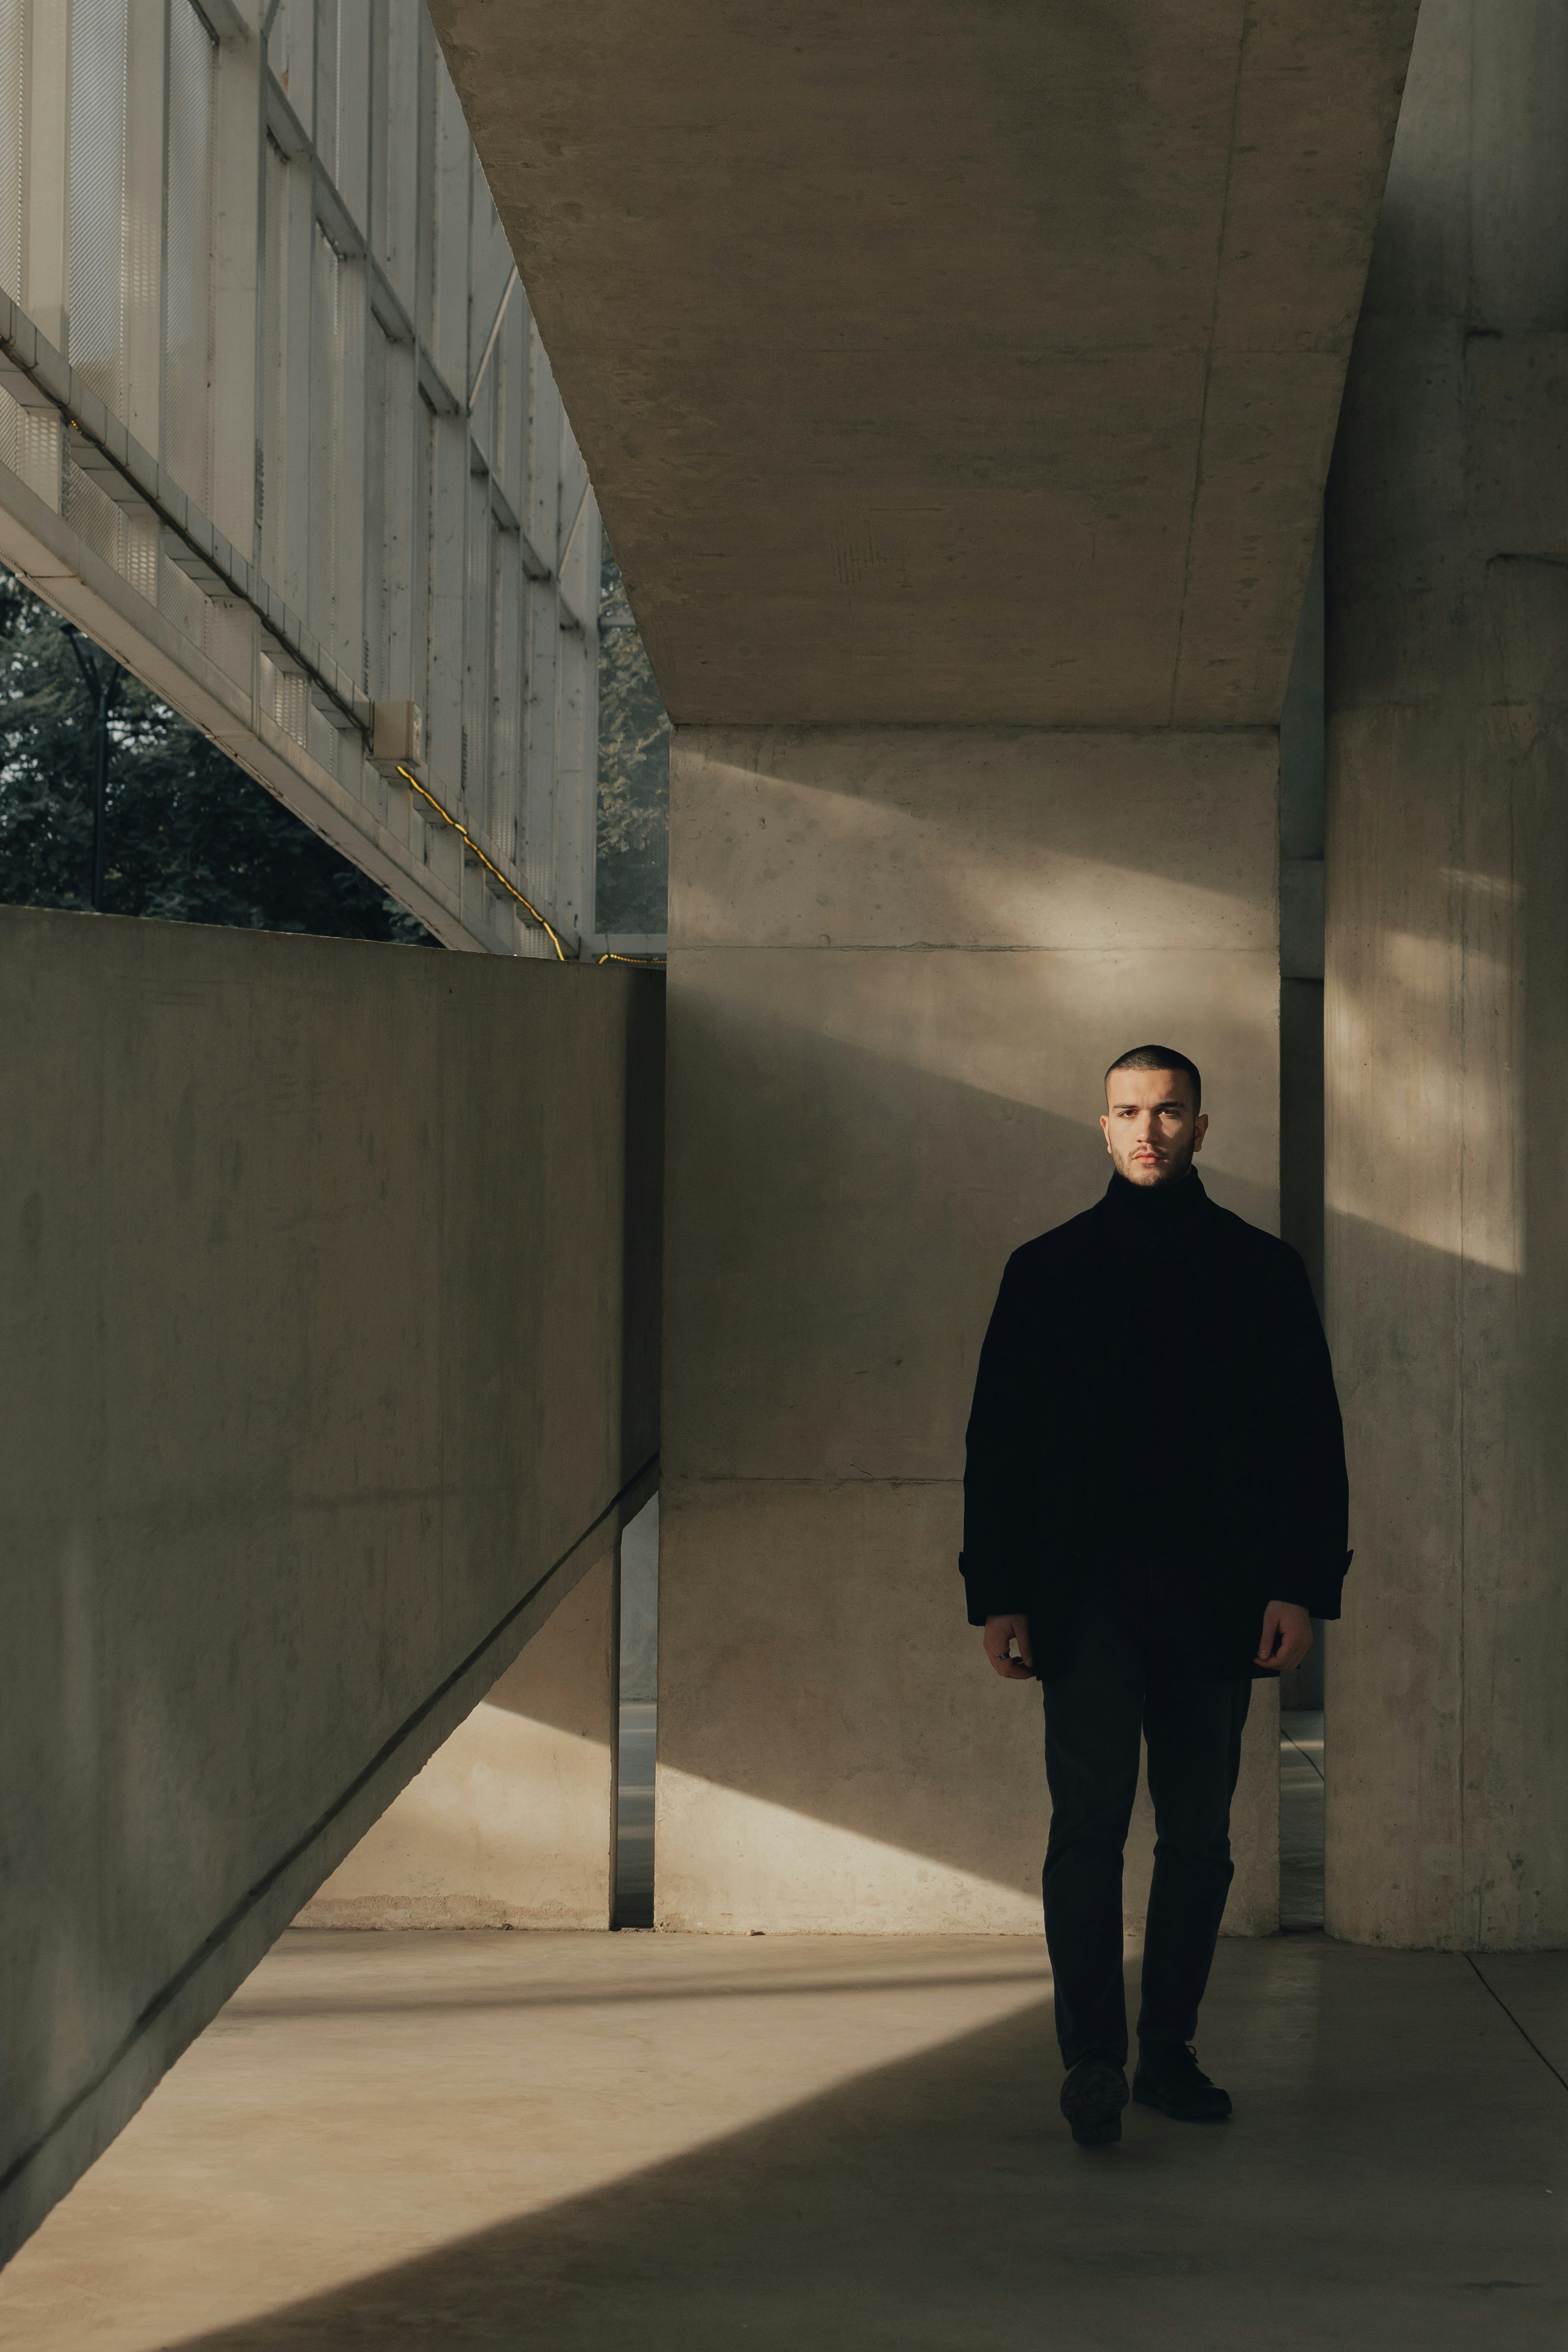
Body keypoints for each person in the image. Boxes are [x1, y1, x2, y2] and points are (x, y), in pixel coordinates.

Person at [960, 1045, 1349, 2148]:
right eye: (1129, 1111)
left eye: (1168, 1111)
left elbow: (1308, 1444)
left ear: (1200, 1126)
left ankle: (1165, 2050)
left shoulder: (1261, 1271)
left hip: (1218, 1600)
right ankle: (1092, 2058)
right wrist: (1000, 1594)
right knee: (1084, 1827)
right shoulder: (1044, 1271)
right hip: (1082, 1603)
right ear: (1101, 1124)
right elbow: (1000, 1446)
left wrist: (1299, 1586)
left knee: (1198, 1835)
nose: (1148, 1129)